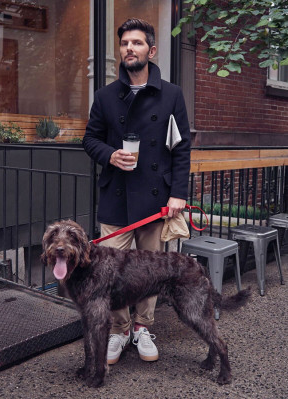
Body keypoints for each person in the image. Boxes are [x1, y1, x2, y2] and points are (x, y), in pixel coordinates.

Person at [82, 18, 190, 365]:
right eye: (125, 43)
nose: (129, 48)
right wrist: (110, 154)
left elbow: (182, 148)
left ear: (151, 50)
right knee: (108, 272)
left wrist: (178, 194)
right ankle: (119, 329)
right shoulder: (105, 96)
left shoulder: (171, 94)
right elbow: (89, 139)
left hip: (156, 199)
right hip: (115, 196)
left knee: (150, 272)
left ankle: (143, 327)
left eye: (137, 43)